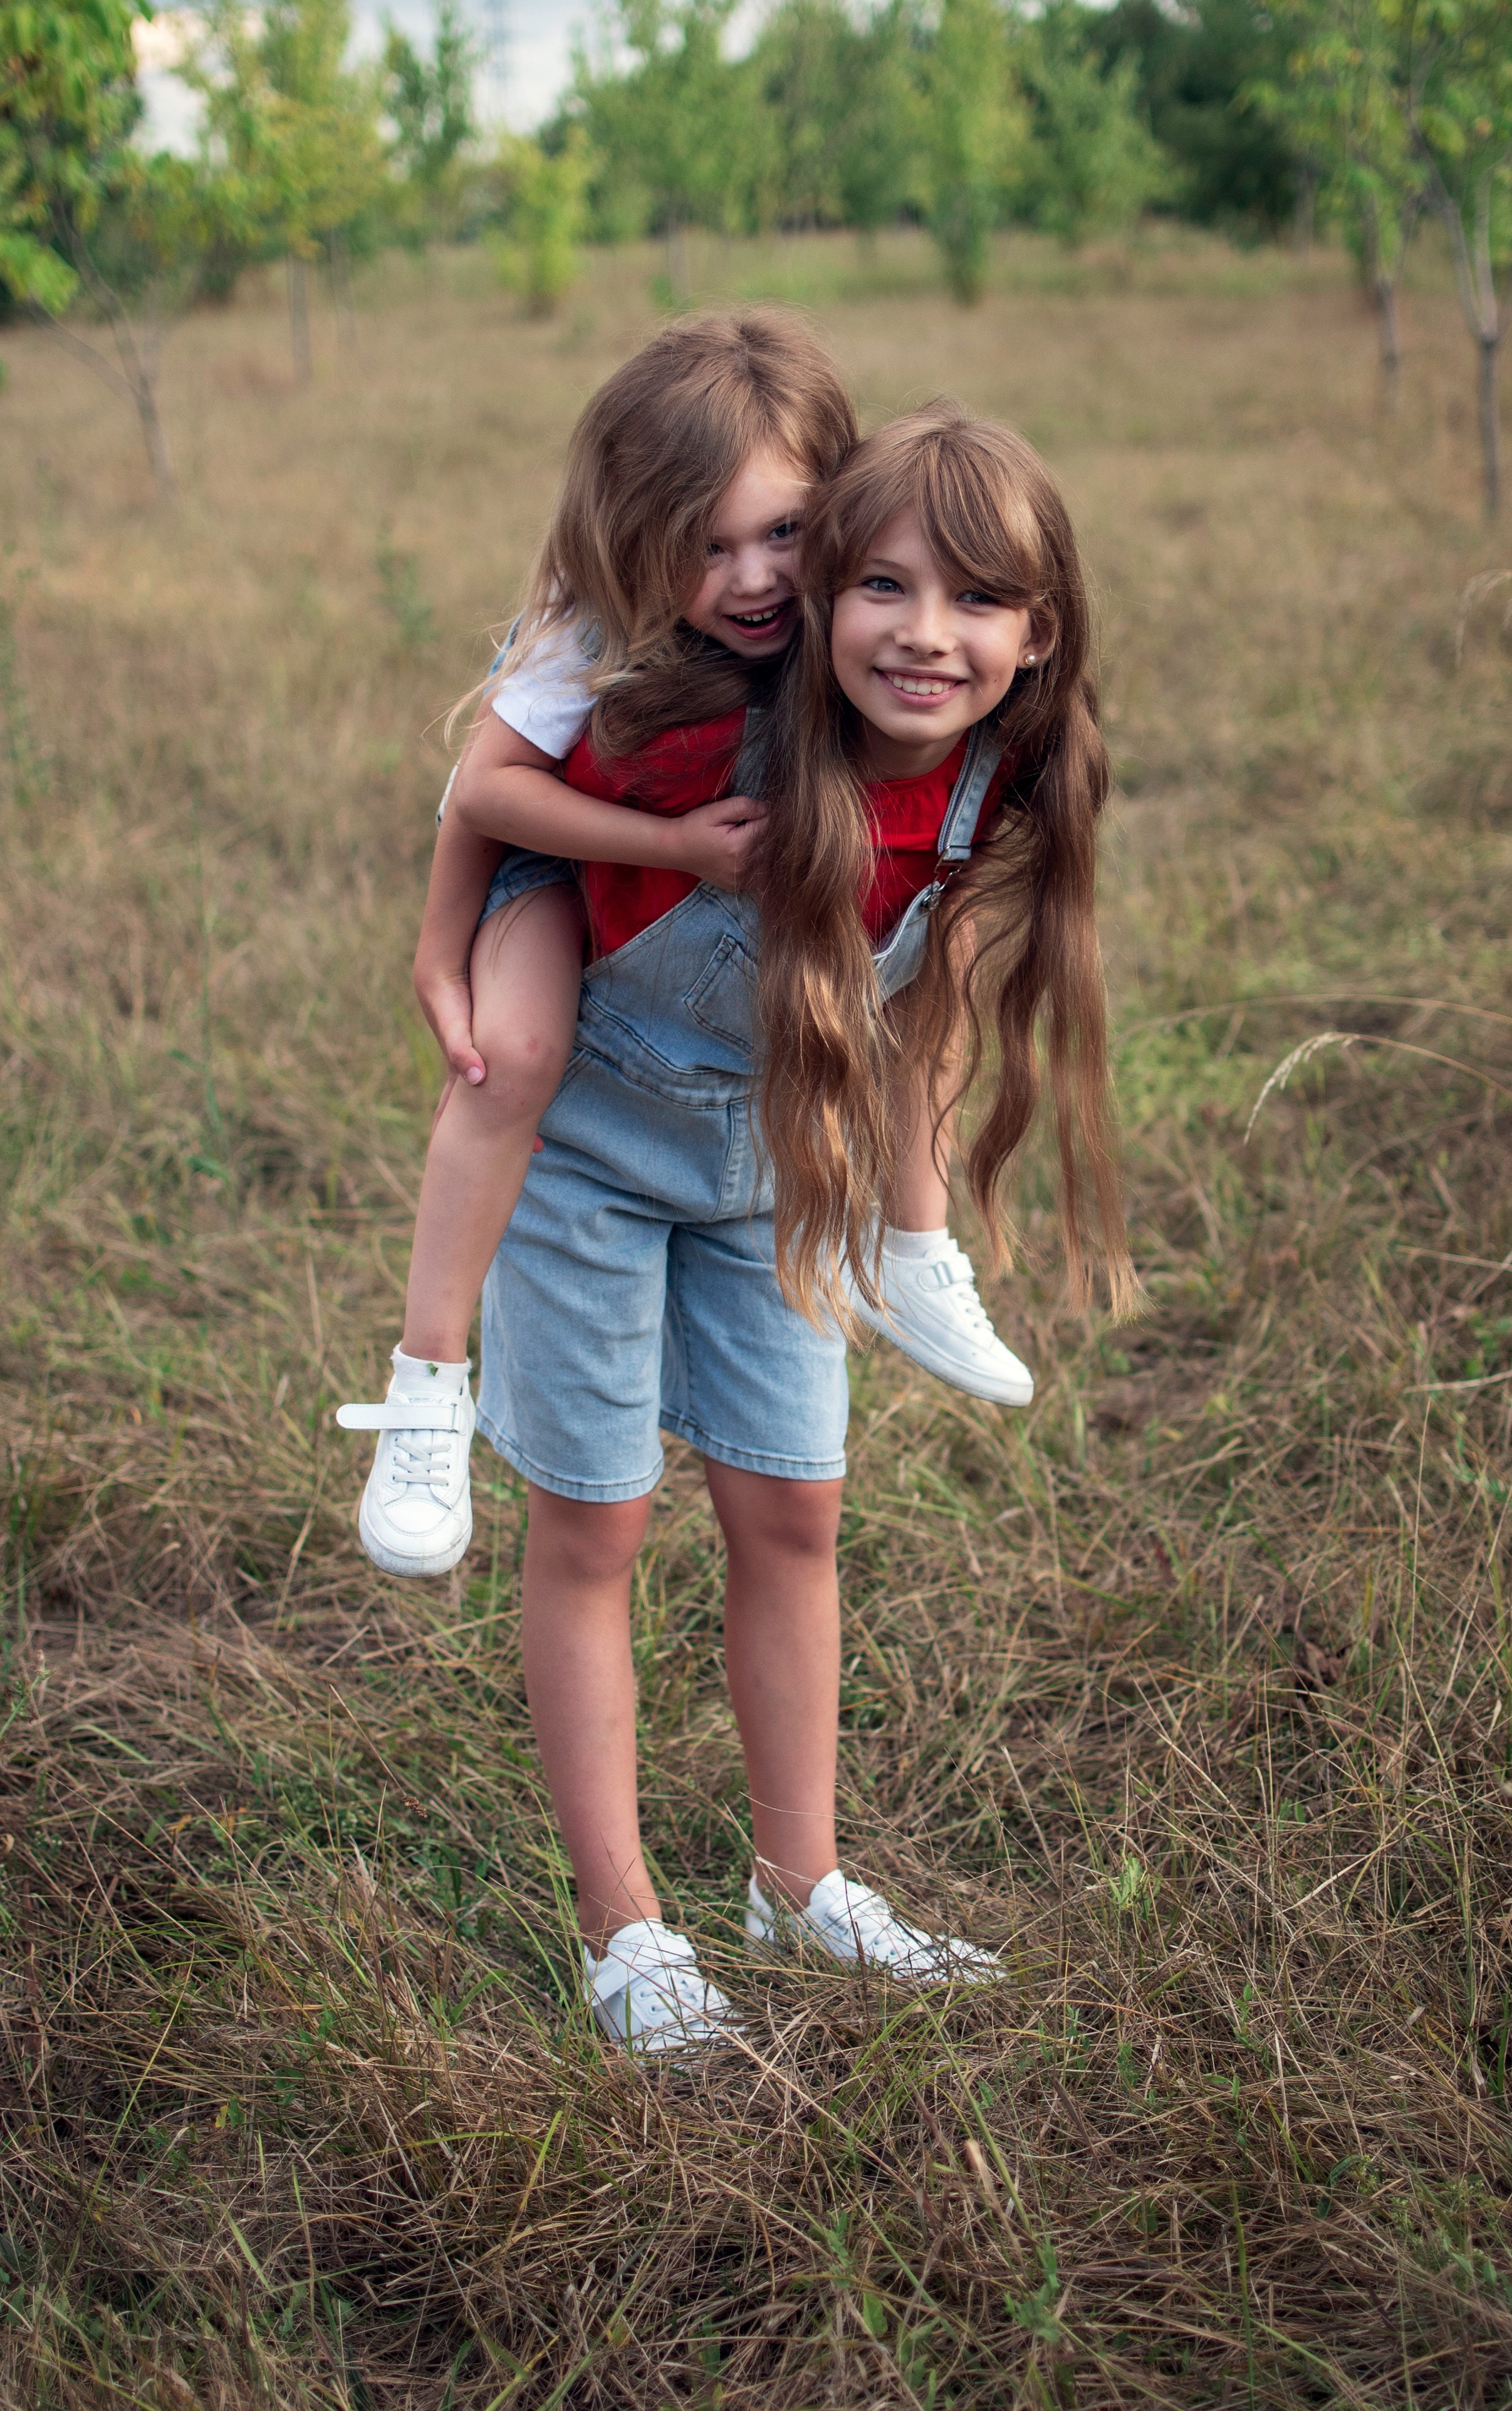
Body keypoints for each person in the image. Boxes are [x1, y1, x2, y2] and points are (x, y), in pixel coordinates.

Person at [422, 402, 1133, 2053]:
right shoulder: (703, 728)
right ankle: (629, 1935)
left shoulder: (984, 779)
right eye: (882, 585)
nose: (926, 636)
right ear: (813, 592)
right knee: (596, 1530)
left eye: (975, 604)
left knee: (795, 1514)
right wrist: (445, 945)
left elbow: (932, 1011)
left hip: (769, 1183)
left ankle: (798, 1885)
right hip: (587, 1163)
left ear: (1039, 636)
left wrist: (908, 1228)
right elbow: (497, 792)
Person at [338, 315, 1033, 1586]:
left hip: (711, 987)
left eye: (783, 533)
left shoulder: (845, 629)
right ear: (637, 540)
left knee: (933, 971)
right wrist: (453, 949)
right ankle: (427, 1380)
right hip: (561, 855)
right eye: (706, 548)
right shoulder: (589, 631)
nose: (755, 577)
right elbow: (485, 795)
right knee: (519, 1050)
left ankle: (913, 1240)